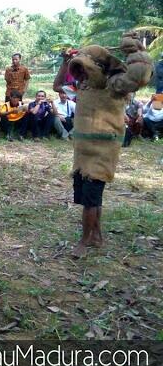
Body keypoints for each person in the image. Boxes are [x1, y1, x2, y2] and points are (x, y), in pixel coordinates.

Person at [54, 33, 152, 259]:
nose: (79, 74)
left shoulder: (114, 85)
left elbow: (139, 78)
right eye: (77, 69)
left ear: (98, 67)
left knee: (90, 199)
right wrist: (64, 62)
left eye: (83, 69)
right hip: (82, 154)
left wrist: (137, 52)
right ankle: (96, 235)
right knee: (89, 199)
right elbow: (57, 84)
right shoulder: (83, 87)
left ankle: (84, 240)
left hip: (102, 153)